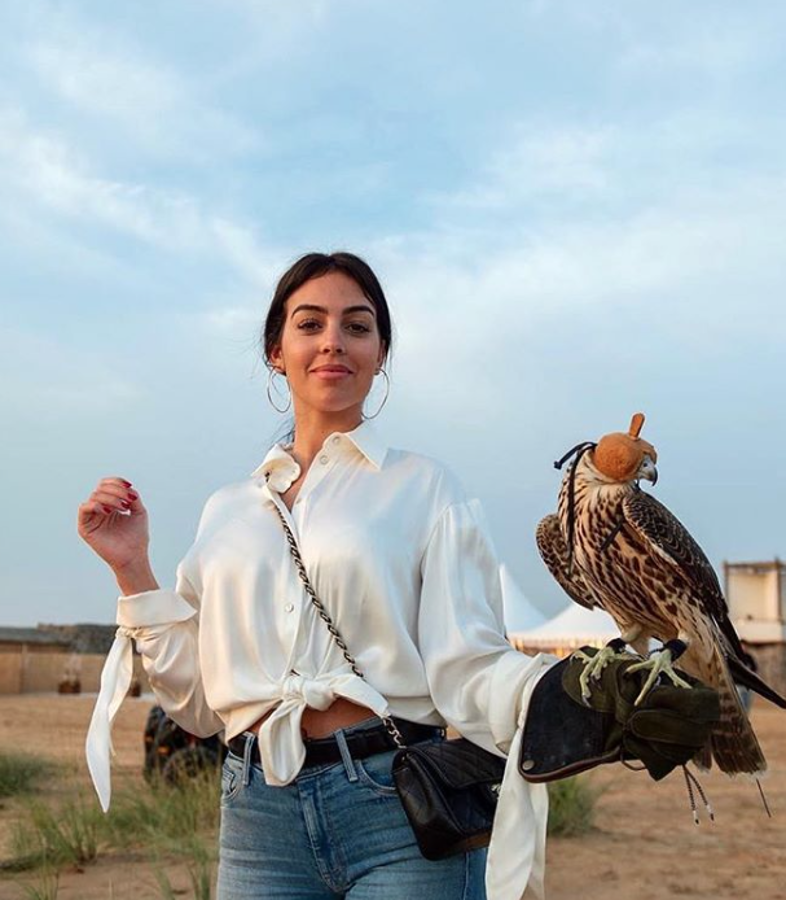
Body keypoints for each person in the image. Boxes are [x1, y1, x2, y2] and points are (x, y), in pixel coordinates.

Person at [78, 251, 561, 900]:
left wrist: (562, 689)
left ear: (380, 353)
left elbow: (468, 661)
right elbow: (196, 704)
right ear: (276, 350)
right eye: (310, 324)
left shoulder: (423, 487)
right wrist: (132, 567)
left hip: (399, 803)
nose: (333, 340)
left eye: (357, 327)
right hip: (255, 810)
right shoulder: (229, 511)